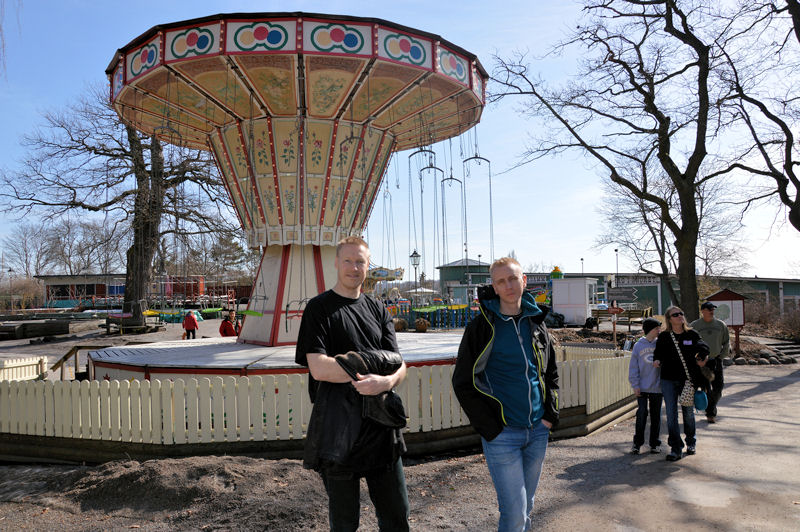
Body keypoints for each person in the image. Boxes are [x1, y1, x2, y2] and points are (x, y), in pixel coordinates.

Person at [295, 236, 410, 532]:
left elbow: (400, 364)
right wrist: (364, 374)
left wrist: (384, 382)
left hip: (381, 427)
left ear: (368, 265)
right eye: (347, 260)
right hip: (339, 430)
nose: (354, 267)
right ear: (336, 263)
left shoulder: (378, 309)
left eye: (360, 261)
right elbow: (319, 367)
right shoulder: (319, 309)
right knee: (345, 523)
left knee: (397, 517)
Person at [452, 257, 559, 532]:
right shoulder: (482, 327)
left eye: (513, 278)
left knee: (527, 506)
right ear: (495, 287)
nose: (509, 285)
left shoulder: (536, 321)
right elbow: (463, 382)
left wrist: (550, 415)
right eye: (501, 281)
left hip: (537, 430)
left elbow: (550, 371)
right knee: (513, 514)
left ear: (524, 281)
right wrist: (490, 428)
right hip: (503, 435)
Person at [653, 305, 710, 462]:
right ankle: (675, 448)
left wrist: (703, 358)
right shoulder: (664, 337)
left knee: (688, 413)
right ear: (669, 319)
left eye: (681, 313)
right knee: (671, 415)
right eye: (675, 314)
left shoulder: (691, 334)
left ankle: (691, 442)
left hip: (687, 380)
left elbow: (703, 347)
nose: (680, 316)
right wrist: (657, 360)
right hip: (668, 380)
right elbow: (658, 353)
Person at [690, 302, 730, 423]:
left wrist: (721, 357)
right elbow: (689, 344)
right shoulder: (695, 325)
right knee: (705, 388)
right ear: (702, 311)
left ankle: (710, 407)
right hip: (701, 362)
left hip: (715, 360)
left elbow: (726, 342)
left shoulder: (720, 325)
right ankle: (711, 413)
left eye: (713, 309)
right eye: (708, 309)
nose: (711, 311)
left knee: (718, 388)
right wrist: (696, 359)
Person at [628, 317, 663, 455]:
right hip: (641, 387)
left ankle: (654, 444)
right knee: (641, 414)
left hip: (657, 387)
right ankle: (637, 444)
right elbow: (633, 367)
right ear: (650, 330)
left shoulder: (660, 344)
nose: (659, 330)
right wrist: (635, 385)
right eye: (656, 328)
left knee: (656, 416)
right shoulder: (638, 345)